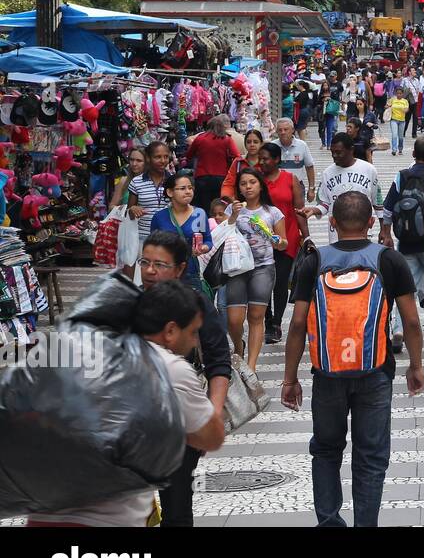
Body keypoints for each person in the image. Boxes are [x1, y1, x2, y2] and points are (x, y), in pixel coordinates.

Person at [26, 279, 225, 527]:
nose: (196, 341)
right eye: (193, 332)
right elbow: (211, 437)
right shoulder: (169, 368)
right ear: (171, 330)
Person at [282, 191, 424, 527]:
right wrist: (415, 365)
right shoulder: (389, 260)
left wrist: (290, 379)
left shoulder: (314, 261)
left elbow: (298, 323)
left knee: (326, 450)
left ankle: (329, 521)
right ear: (371, 223)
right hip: (375, 372)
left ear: (331, 223)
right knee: (371, 456)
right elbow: (412, 321)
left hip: (327, 373)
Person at [138, 232, 231, 528]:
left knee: (176, 507)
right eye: (145, 262)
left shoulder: (197, 304)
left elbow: (219, 362)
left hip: (179, 422)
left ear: (179, 269)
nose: (150, 271)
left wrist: (210, 416)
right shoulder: (130, 302)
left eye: (160, 264)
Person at [381, 136, 424, 345]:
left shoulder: (402, 175)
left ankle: (398, 329)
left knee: (404, 288)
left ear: (413, 155)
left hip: (405, 241)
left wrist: (386, 234)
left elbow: (387, 208)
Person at [224, 168, 288, 372]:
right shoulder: (232, 210)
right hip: (237, 267)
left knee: (256, 316)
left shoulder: (272, 212)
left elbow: (283, 243)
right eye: (243, 184)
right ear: (239, 188)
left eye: (252, 182)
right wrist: (233, 215)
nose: (248, 187)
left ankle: (250, 367)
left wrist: (275, 240)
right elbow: (222, 234)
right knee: (234, 319)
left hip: (263, 267)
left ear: (260, 185)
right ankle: (238, 346)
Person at [257, 142, 308, 345]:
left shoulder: (290, 179)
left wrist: (307, 236)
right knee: (263, 282)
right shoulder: (256, 180)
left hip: (286, 238)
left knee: (279, 282)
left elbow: (299, 209)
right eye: (260, 158)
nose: (262, 162)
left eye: (265, 158)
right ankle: (267, 319)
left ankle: (276, 323)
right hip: (260, 239)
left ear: (277, 160)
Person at [302, 133, 383, 241]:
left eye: (339, 152)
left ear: (351, 150)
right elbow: (324, 203)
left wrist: (384, 229)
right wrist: (314, 210)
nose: (334, 156)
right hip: (336, 236)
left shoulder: (369, 170)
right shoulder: (327, 173)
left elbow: (377, 202)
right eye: (332, 152)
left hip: (363, 233)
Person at [150, 173, 213, 293]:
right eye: (182, 188)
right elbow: (152, 247)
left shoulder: (199, 214)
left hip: (191, 273)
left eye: (190, 188)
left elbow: (208, 240)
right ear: (170, 192)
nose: (188, 191)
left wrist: (204, 247)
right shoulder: (159, 217)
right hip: (165, 274)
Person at [125, 140, 172, 276]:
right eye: (157, 157)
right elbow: (129, 212)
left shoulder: (174, 181)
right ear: (148, 158)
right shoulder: (137, 182)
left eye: (166, 156)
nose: (163, 160)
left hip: (168, 239)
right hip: (143, 240)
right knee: (145, 278)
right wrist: (133, 210)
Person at [185, 114, 238, 216]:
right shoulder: (226, 139)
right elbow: (237, 156)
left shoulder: (200, 139)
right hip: (221, 178)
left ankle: (205, 226)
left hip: (202, 178)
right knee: (220, 205)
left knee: (203, 207)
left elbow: (189, 155)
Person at [274, 117, 317, 205]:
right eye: (280, 130)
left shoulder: (302, 145)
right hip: (277, 186)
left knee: (298, 214)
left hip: (297, 186)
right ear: (276, 131)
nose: (283, 132)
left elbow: (309, 167)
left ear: (292, 130)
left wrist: (311, 189)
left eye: (286, 129)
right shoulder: (272, 146)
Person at [387, 86, 411, 155]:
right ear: (395, 93)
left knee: (400, 137)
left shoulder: (405, 101)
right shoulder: (392, 99)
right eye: (397, 93)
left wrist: (405, 110)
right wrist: (388, 107)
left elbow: (407, 109)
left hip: (402, 121)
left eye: (400, 93)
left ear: (402, 94)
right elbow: (387, 105)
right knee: (394, 135)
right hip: (393, 120)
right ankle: (394, 150)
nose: (399, 95)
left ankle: (400, 149)